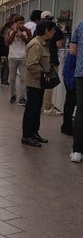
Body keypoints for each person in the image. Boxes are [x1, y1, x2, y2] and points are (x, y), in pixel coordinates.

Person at [21, 20, 56, 147]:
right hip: (34, 82)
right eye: (52, 30)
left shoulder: (43, 44)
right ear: (46, 31)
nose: (53, 33)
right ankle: (27, 135)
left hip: (39, 83)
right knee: (31, 109)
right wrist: (43, 75)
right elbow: (31, 65)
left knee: (36, 109)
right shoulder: (36, 44)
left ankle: (34, 132)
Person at [37, 11, 65, 115]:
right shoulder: (55, 29)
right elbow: (59, 44)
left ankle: (42, 104)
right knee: (50, 83)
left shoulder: (38, 29)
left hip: (41, 60)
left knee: (41, 82)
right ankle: (47, 106)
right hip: (52, 59)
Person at [5, 14, 32, 105]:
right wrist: (13, 33)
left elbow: (30, 43)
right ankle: (13, 95)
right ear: (15, 23)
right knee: (12, 78)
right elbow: (7, 43)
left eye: (23, 23)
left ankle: (22, 97)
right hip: (12, 57)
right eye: (20, 23)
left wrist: (23, 36)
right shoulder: (9, 31)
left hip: (23, 57)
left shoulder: (27, 31)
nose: (22, 25)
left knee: (23, 78)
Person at [68, 21, 83, 162]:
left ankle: (77, 151)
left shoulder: (81, 25)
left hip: (81, 74)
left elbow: (72, 51)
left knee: (80, 110)